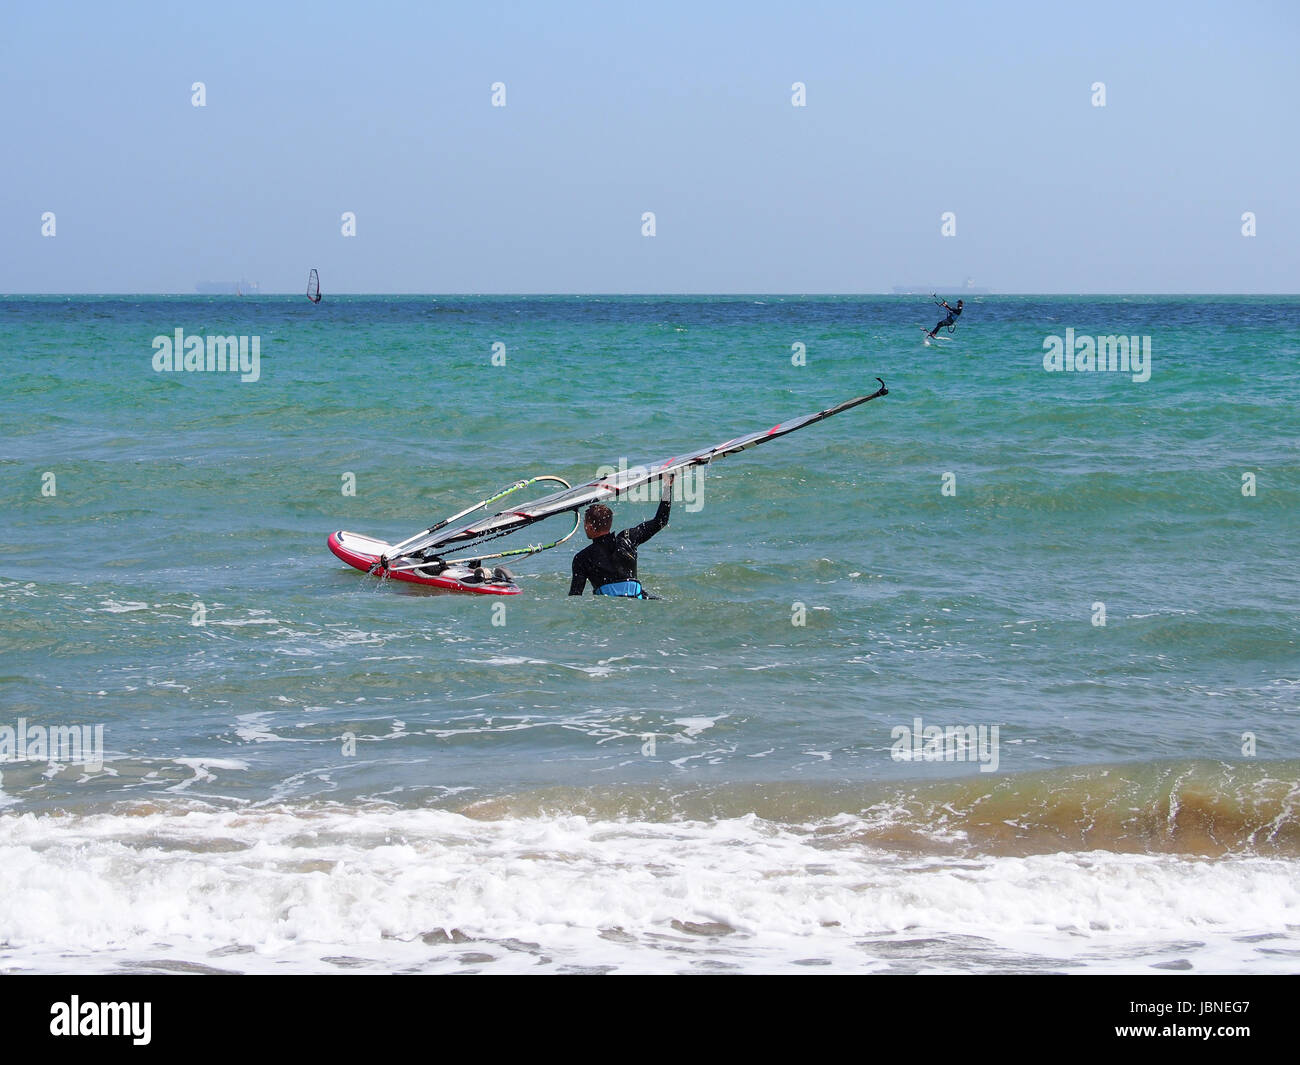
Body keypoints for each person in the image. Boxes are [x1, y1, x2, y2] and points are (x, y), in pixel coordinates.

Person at [568, 473, 674, 598]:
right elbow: (661, 521)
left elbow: (575, 598)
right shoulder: (628, 539)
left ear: (589, 526)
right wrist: (668, 486)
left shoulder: (582, 558)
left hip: (610, 609)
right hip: (641, 601)